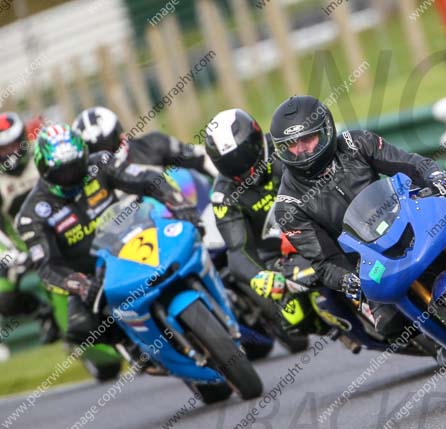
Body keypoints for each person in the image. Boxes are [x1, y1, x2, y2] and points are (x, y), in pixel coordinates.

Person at [271, 95, 446, 342]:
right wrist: (348, 281)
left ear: (326, 130)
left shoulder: (356, 143)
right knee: (390, 326)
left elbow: (412, 164)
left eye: (308, 139)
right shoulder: (288, 205)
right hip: (368, 261)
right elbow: (325, 261)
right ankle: (440, 339)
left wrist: (434, 179)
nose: (302, 150)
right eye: (292, 145)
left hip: (408, 218)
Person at [16, 124, 198, 346]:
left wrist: (176, 201)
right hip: (93, 277)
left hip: (132, 244)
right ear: (44, 170)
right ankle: (132, 346)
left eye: (75, 167)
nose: (71, 176)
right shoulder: (31, 215)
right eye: (62, 172)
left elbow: (147, 179)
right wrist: (79, 284)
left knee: (189, 242)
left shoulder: (101, 162)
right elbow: (46, 267)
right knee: (80, 326)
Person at [204, 108, 313, 330]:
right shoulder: (223, 194)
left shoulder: (285, 146)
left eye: (244, 155)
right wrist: (259, 276)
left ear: (256, 140)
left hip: (318, 225)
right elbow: (237, 250)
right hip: (278, 257)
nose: (244, 168)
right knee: (295, 319)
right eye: (230, 163)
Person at [0, 111, 57, 345]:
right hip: (24, 248)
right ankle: (44, 313)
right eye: (2, 149)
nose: (9, 153)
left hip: (67, 228)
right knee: (3, 295)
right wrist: (11, 255)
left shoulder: (45, 153)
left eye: (12, 145)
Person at [72, 106, 217, 176]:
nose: (103, 155)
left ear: (122, 135)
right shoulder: (90, 183)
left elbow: (202, 158)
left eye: (108, 146)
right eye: (96, 151)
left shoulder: (155, 144)